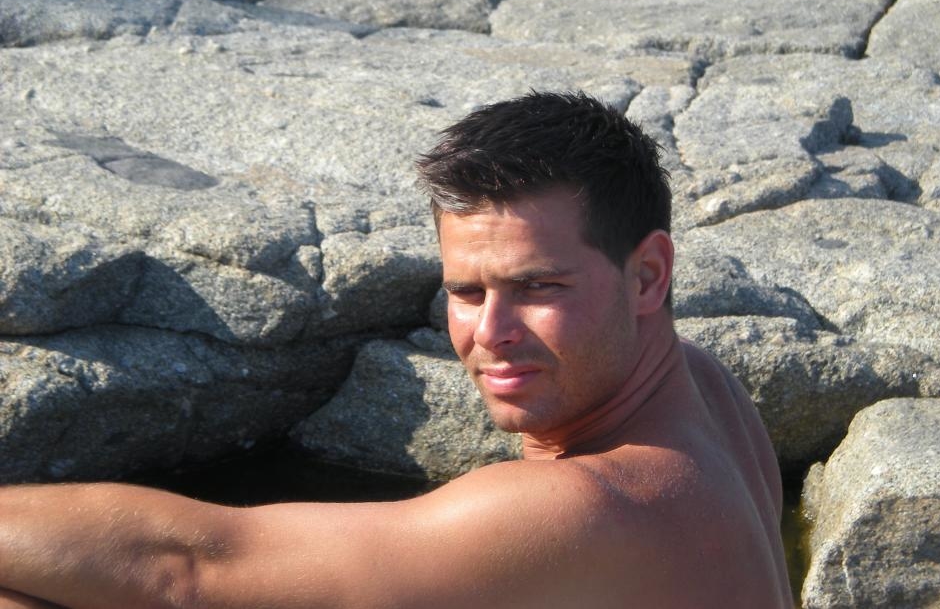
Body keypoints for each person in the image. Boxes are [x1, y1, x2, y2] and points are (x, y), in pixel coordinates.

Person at [0, 91, 794, 608]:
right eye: (467, 291)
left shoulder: (584, 509)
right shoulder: (708, 394)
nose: (490, 333)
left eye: (539, 287)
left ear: (648, 275)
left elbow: (187, 570)